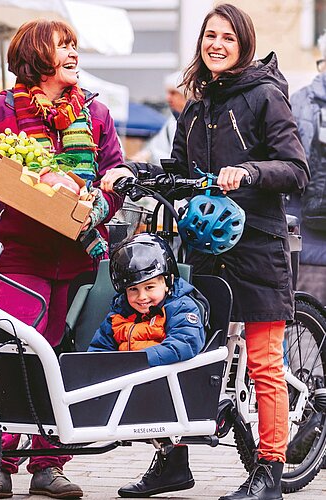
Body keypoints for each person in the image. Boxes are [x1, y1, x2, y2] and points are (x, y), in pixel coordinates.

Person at [100, 4, 309, 500]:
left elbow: (295, 168)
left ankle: (270, 473)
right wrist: (136, 175)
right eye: (210, 35)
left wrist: (251, 173)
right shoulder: (196, 105)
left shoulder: (264, 97)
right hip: (202, 247)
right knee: (184, 355)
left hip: (257, 246)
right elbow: (176, 171)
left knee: (263, 363)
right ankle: (173, 461)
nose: (216, 44)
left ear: (244, 46)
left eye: (227, 38)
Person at [0, 19, 124, 500]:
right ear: (37, 55)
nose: (74, 53)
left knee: (51, 356)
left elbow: (116, 173)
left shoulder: (95, 115)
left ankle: (47, 463)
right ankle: (0, 462)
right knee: (14, 353)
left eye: (76, 45)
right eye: (64, 47)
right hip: (20, 256)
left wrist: (103, 200)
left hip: (75, 259)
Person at [88, 232, 205, 367]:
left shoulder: (181, 307)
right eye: (133, 289)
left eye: (149, 287)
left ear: (168, 282)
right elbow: (98, 349)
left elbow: (185, 342)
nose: (142, 296)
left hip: (162, 379)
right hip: (122, 379)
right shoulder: (119, 313)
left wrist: (137, 362)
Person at [289, 31, 326, 304]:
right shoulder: (297, 103)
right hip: (312, 248)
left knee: (308, 336)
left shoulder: (296, 102)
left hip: (306, 244)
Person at [131, 71, 188, 163]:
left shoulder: (195, 122)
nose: (168, 98)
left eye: (173, 93)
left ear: (186, 94)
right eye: (168, 93)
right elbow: (156, 147)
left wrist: (150, 156)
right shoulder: (172, 122)